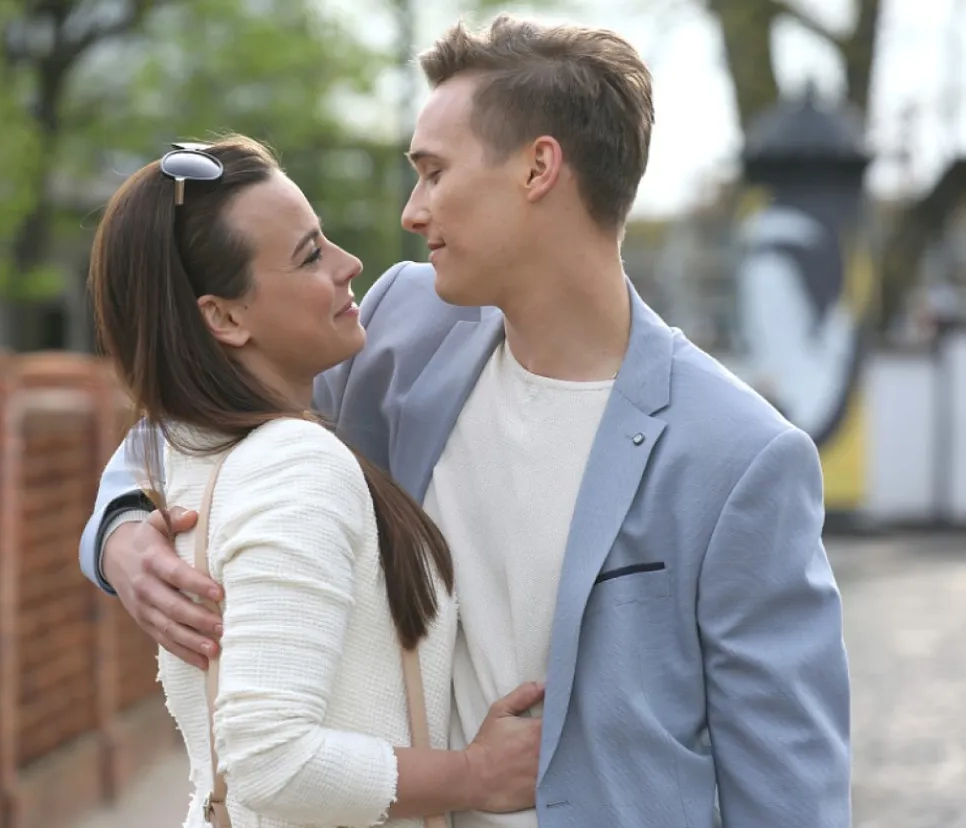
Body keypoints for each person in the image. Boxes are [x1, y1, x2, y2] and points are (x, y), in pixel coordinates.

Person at [81, 15, 852, 828]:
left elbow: (788, 789)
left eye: (434, 172)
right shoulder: (401, 329)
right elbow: (203, 414)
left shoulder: (739, 455)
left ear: (537, 168)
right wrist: (120, 530)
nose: (412, 212)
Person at [85, 133, 544, 828]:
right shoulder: (294, 462)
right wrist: (475, 774)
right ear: (224, 316)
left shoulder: (192, 455)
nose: (350, 263)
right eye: (309, 255)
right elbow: (269, 759)